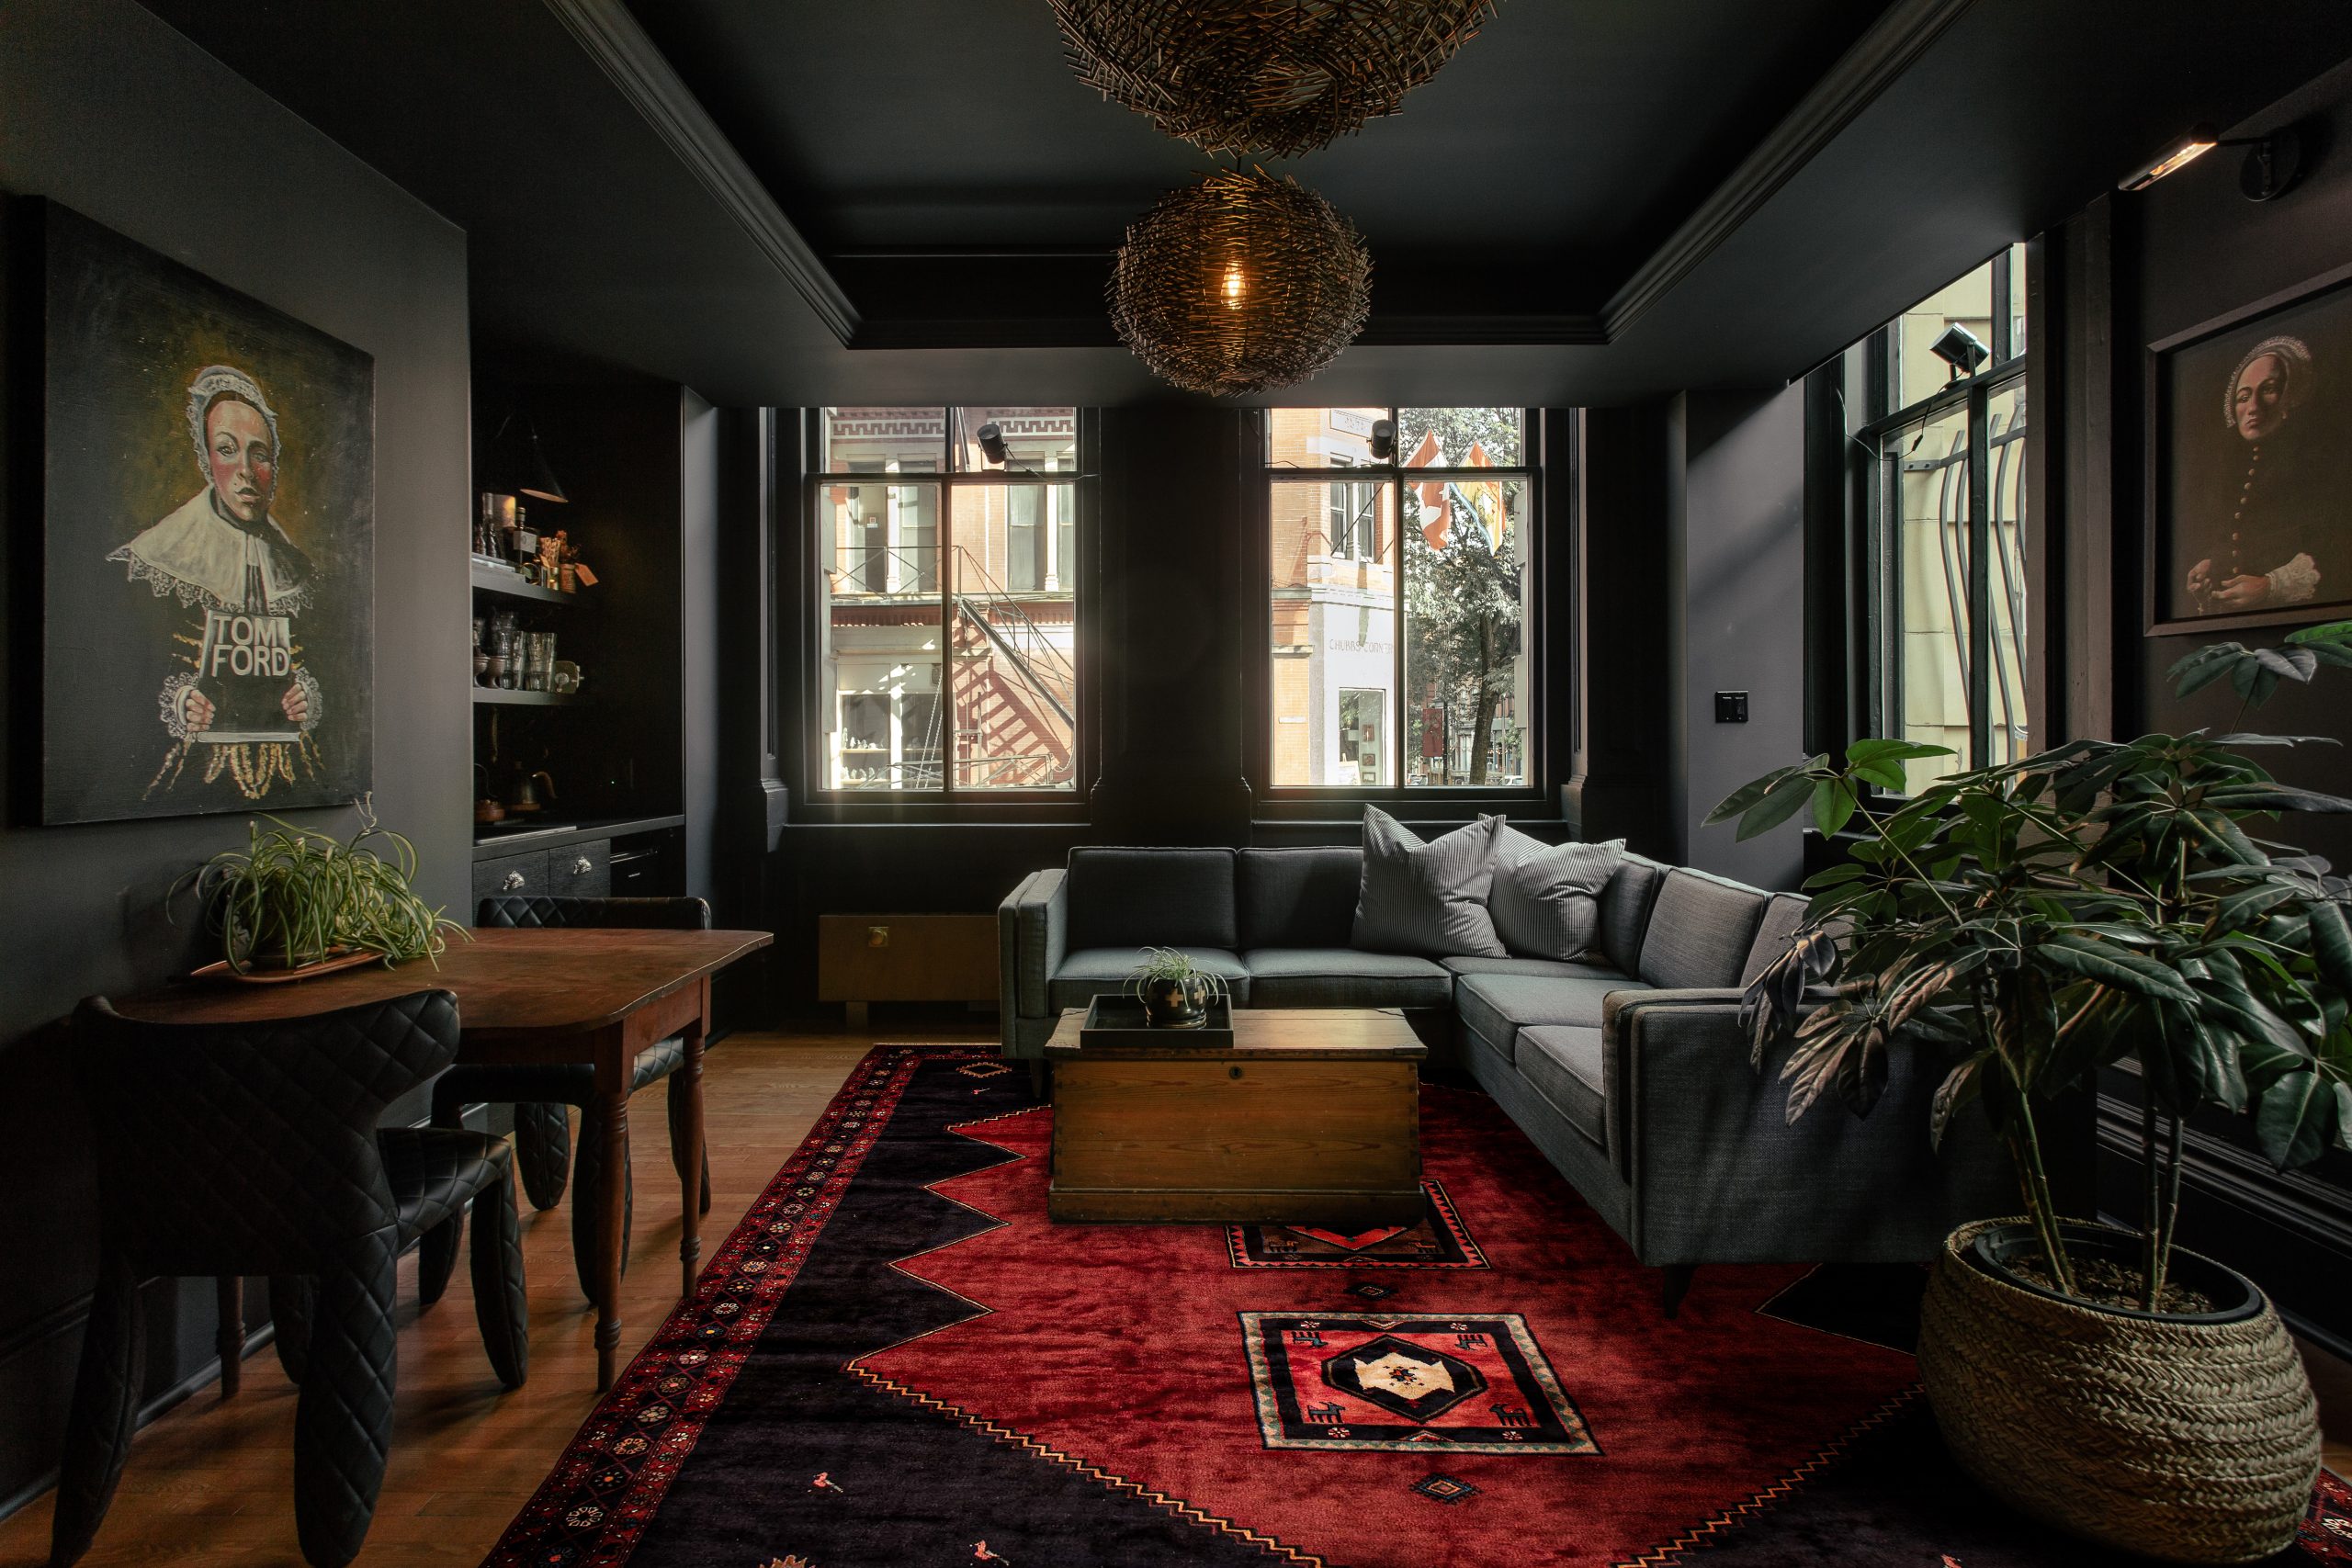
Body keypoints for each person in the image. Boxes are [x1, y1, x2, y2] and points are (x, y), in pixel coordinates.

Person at [108, 365, 319, 741]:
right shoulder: (155, 558)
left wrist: (306, 698)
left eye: (260, 455)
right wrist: (181, 702)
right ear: (206, 460)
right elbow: (120, 673)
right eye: (227, 450)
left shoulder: (299, 571)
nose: (246, 472)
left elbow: (327, 669)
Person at [2184, 334, 2326, 614]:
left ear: (2289, 395)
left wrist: (2270, 586)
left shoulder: (2313, 461)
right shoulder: (2230, 469)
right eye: (2244, 396)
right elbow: (2235, 537)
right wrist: (2211, 567)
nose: (2254, 407)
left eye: (2269, 389)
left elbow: (2331, 544)